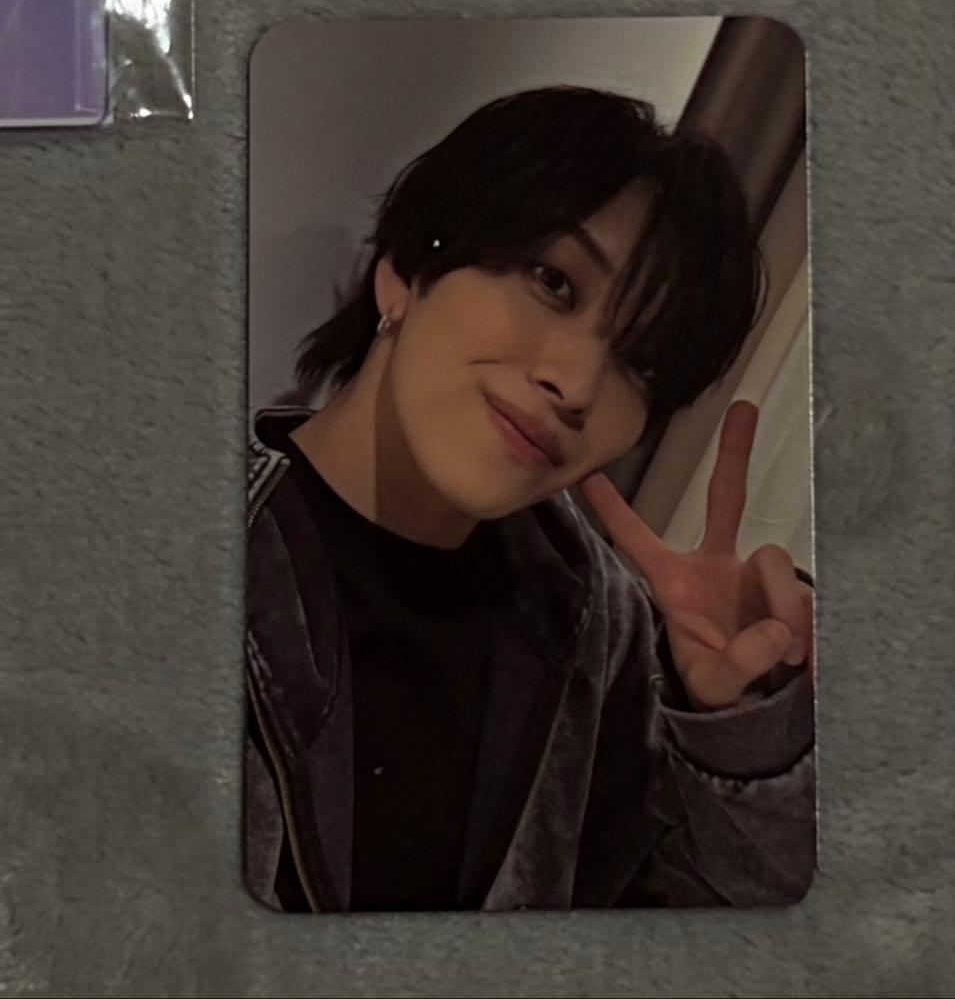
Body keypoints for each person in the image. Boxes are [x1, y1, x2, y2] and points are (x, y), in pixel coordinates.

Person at [245, 86, 815, 912]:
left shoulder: (598, 627)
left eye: (640, 363)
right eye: (554, 282)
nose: (576, 384)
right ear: (405, 270)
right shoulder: (168, 557)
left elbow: (706, 925)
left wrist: (738, 731)